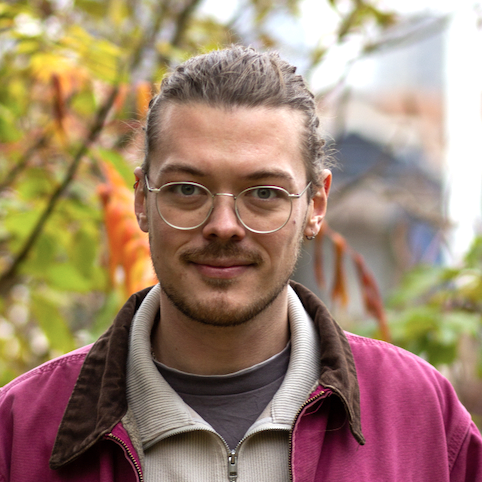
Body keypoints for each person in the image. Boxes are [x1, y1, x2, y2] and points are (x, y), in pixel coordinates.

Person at [1, 46, 481, 482]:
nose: (224, 226)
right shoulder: (20, 430)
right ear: (142, 201)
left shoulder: (421, 417)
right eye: (187, 189)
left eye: (264, 193)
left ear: (315, 205)